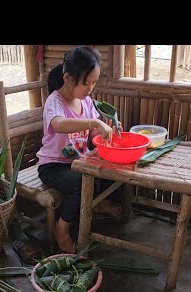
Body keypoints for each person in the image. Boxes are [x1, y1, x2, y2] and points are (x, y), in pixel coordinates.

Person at [37, 45, 122, 254]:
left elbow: (92, 136)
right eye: (87, 83)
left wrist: (105, 132)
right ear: (67, 78)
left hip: (78, 162)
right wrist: (93, 122)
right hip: (53, 166)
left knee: (107, 171)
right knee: (82, 182)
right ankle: (62, 228)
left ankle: (94, 204)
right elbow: (58, 124)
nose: (91, 88)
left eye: (94, 82)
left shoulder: (87, 102)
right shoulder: (54, 101)